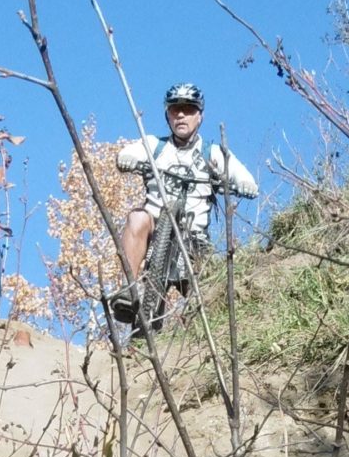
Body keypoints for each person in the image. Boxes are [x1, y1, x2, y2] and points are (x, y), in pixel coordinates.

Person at [109, 83, 258, 326]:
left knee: (205, 310)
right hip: (155, 230)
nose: (181, 115)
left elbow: (244, 177)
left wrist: (244, 185)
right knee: (137, 217)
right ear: (167, 114)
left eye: (188, 109)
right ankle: (129, 287)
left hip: (195, 238)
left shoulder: (213, 153)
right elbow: (128, 153)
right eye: (175, 109)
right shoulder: (155, 146)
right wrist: (126, 159)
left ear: (199, 116)